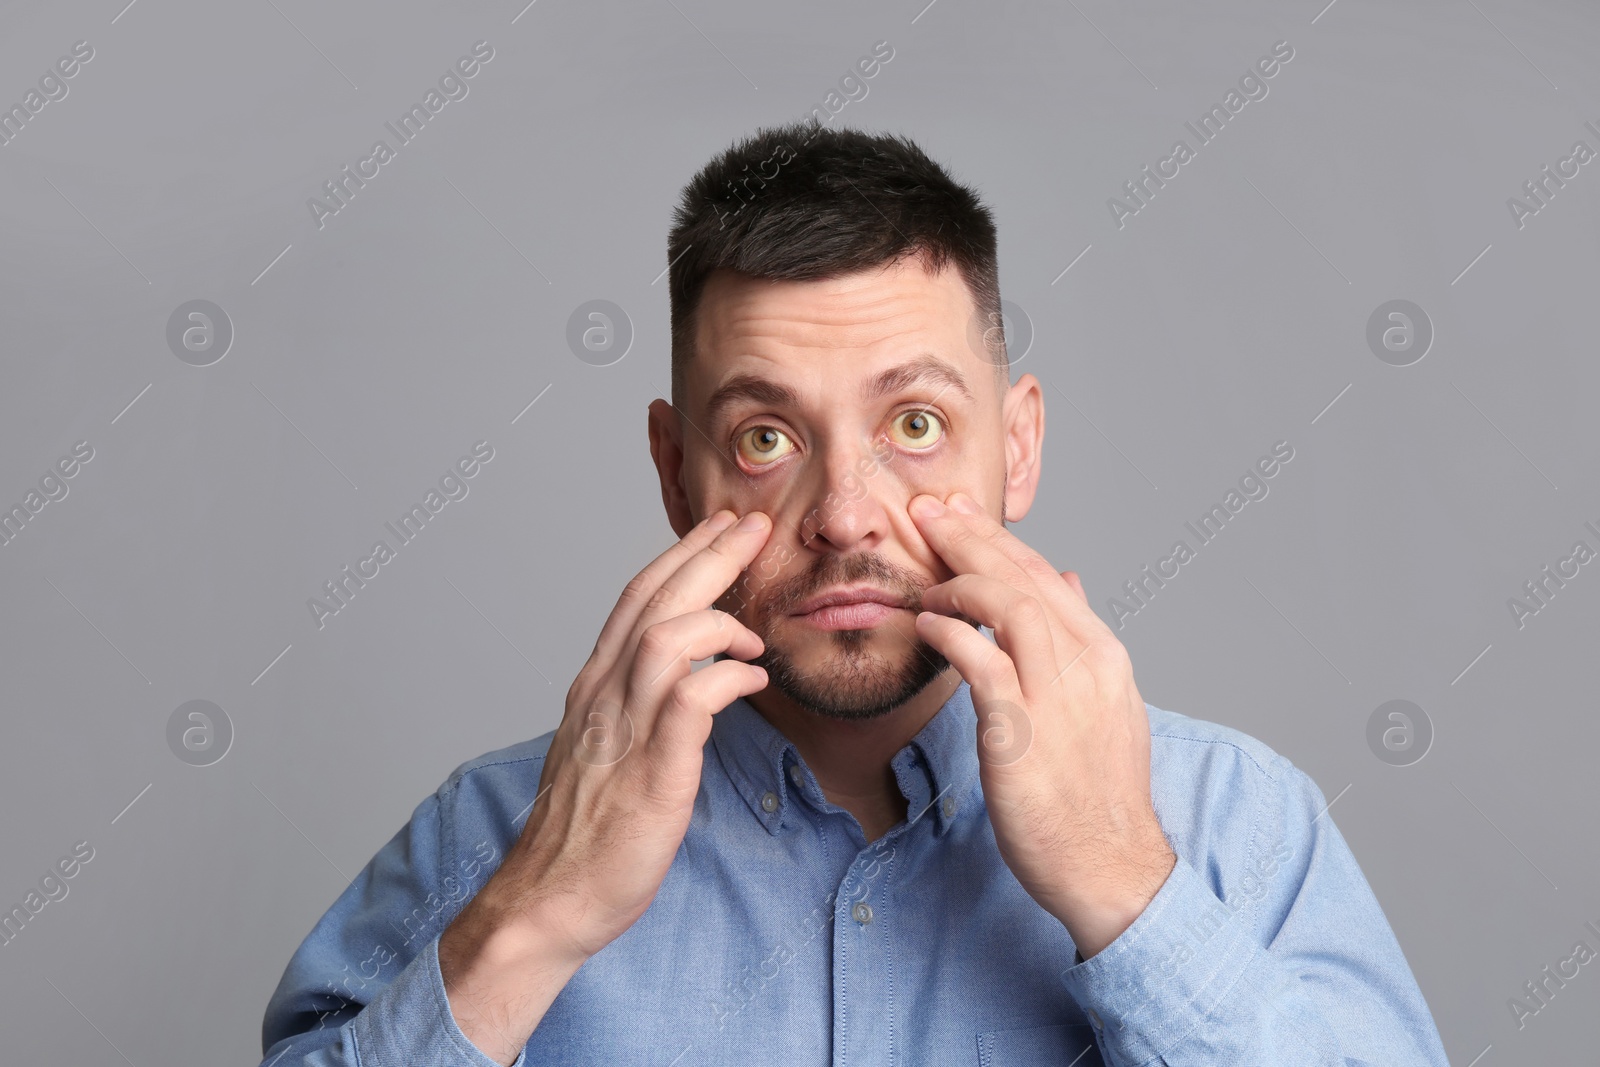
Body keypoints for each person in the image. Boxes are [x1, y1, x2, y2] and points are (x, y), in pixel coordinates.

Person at [261, 119, 1451, 1066]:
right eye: (767, 436)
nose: (843, 510)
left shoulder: (1241, 824)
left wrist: (1126, 888)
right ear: (677, 471)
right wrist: (533, 912)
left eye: (915, 423)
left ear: (1017, 446)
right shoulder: (494, 835)